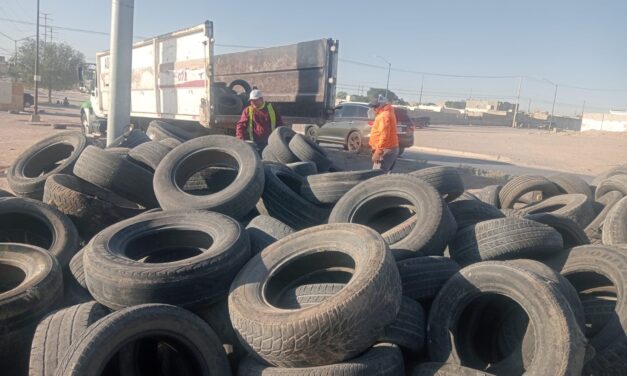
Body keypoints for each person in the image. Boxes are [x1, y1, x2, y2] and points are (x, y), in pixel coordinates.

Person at [368, 95, 399, 172]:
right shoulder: (387, 113)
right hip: (389, 148)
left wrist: (379, 151)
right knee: (384, 177)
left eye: (374, 107)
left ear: (381, 106)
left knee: (376, 176)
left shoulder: (384, 116)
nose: (372, 109)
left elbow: (384, 135)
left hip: (385, 149)